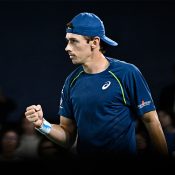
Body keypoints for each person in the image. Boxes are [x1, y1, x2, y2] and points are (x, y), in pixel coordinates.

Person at [25, 12, 168, 159]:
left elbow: (151, 121)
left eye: (74, 41)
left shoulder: (127, 73)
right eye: (67, 41)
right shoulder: (71, 81)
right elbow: (68, 138)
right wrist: (42, 124)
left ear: (94, 42)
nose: (67, 47)